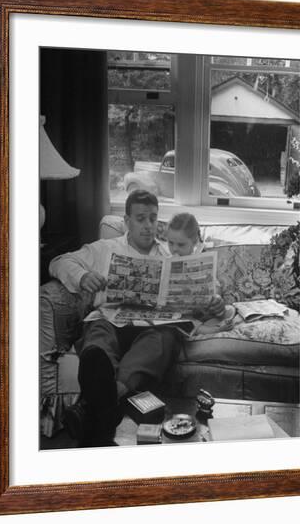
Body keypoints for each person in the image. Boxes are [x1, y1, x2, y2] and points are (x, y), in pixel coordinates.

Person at [49, 190, 179, 446]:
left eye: (153, 219)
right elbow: (58, 262)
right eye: (141, 219)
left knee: (164, 338)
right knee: (98, 335)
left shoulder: (168, 256)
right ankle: (111, 402)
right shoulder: (105, 248)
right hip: (110, 319)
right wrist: (83, 277)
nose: (148, 226)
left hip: (149, 328)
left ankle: (96, 406)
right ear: (127, 221)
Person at [166, 212, 225, 319]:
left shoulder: (202, 260)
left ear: (194, 242)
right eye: (170, 243)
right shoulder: (166, 261)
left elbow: (215, 287)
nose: (174, 249)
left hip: (198, 315)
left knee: (227, 311)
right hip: (173, 316)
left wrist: (216, 298)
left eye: (181, 244)